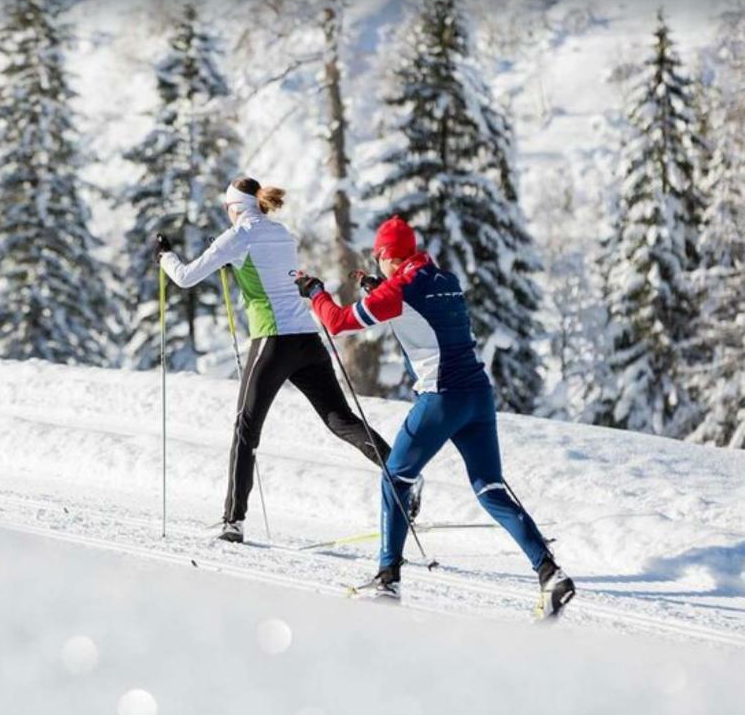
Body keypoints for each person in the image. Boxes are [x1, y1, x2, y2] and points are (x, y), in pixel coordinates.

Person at [294, 215, 575, 619]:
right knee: (490, 488)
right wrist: (380, 290)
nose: (378, 264)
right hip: (479, 396)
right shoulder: (445, 280)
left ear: (389, 255)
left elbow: (337, 323)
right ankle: (551, 574)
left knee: (395, 477)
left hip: (441, 398)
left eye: (379, 258)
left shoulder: (400, 288)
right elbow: (421, 313)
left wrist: (315, 292)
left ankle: (388, 578)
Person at [156, 176, 409, 543]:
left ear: (233, 207)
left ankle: (232, 521)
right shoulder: (281, 233)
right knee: (340, 419)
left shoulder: (238, 235)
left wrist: (165, 256)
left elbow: (185, 277)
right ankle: (400, 474)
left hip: (272, 342)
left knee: (246, 428)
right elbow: (268, 269)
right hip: (307, 340)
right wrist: (229, 256)